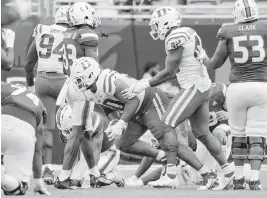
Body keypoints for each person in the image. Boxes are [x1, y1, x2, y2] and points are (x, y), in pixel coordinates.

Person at [121, 6, 234, 190]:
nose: (156, 29)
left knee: (166, 124)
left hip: (193, 87)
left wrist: (145, 83)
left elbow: (169, 72)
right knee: (202, 133)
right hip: (202, 85)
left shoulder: (174, 38)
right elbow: (177, 70)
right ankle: (228, 173)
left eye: (157, 25)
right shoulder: (187, 32)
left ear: (166, 23)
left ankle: (171, 175)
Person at [70, 57, 219, 190]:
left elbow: (133, 100)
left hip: (149, 102)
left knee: (169, 141)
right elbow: (105, 105)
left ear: (90, 74)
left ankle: (206, 173)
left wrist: (121, 122)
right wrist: (112, 122)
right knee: (124, 144)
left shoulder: (108, 81)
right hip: (135, 110)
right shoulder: (89, 89)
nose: (77, 82)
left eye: (79, 78)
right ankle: (162, 156)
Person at [195, 0, 267, 191]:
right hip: (261, 85)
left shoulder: (228, 30)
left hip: (237, 88)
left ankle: (238, 177)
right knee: (257, 135)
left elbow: (215, 63)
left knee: (239, 135)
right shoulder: (265, 26)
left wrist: (202, 57)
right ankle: (254, 178)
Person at [55, 1, 107, 186]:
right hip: (83, 87)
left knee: (85, 132)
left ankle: (94, 173)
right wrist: (98, 88)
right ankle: (63, 177)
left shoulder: (68, 33)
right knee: (78, 132)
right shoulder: (88, 34)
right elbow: (93, 66)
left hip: (70, 84)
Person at [24, 6, 71, 185]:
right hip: (65, 81)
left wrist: (30, 89)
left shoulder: (41, 29)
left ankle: (48, 169)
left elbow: (29, 64)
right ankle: (74, 171)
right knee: (77, 124)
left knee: (46, 128)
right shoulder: (74, 33)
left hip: (42, 80)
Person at [54, 104, 124, 189]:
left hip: (107, 153)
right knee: (74, 181)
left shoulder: (95, 121)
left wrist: (90, 175)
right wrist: (65, 175)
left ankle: (114, 175)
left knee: (92, 181)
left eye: (70, 129)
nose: (67, 133)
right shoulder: (71, 120)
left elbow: (96, 151)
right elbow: (72, 151)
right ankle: (106, 171)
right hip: (86, 154)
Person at [1, 82, 50, 195]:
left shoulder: (7, 87)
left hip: (4, 121)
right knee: (18, 188)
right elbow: (37, 151)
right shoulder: (40, 107)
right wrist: (38, 182)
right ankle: (3, 179)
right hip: (24, 134)